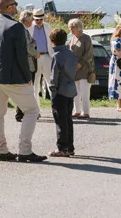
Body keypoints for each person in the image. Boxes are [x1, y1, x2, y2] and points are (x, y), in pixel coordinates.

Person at [0, 0, 46, 163]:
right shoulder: (16, 27)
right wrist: (28, 77)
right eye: (15, 4)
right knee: (32, 111)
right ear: (9, 7)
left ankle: (2, 150)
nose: (17, 7)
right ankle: (25, 150)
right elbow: (21, 55)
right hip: (15, 77)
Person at [48, 28, 77, 158]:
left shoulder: (56, 56)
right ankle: (70, 147)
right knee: (68, 119)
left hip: (60, 91)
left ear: (52, 41)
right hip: (70, 89)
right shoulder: (71, 54)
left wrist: (52, 93)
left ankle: (62, 147)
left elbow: (54, 78)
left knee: (60, 120)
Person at [15, 10, 40, 122]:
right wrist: (36, 53)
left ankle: (21, 113)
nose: (33, 22)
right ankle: (23, 113)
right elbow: (28, 47)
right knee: (27, 89)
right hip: (27, 63)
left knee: (25, 89)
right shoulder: (23, 30)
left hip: (27, 63)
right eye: (32, 20)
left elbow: (32, 42)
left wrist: (33, 44)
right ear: (27, 20)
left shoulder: (23, 29)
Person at [66, 19, 94, 119]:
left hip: (85, 69)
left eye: (73, 27)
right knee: (75, 92)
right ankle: (77, 110)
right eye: (70, 27)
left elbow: (89, 54)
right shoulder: (72, 39)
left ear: (78, 27)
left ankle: (85, 112)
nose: (71, 29)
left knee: (84, 91)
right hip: (74, 70)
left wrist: (80, 64)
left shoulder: (86, 38)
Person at [30, 9, 52, 100]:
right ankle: (36, 111)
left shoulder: (47, 26)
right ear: (33, 19)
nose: (39, 21)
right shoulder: (29, 27)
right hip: (34, 57)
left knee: (51, 82)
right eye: (36, 19)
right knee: (35, 84)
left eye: (41, 19)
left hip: (46, 55)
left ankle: (55, 107)